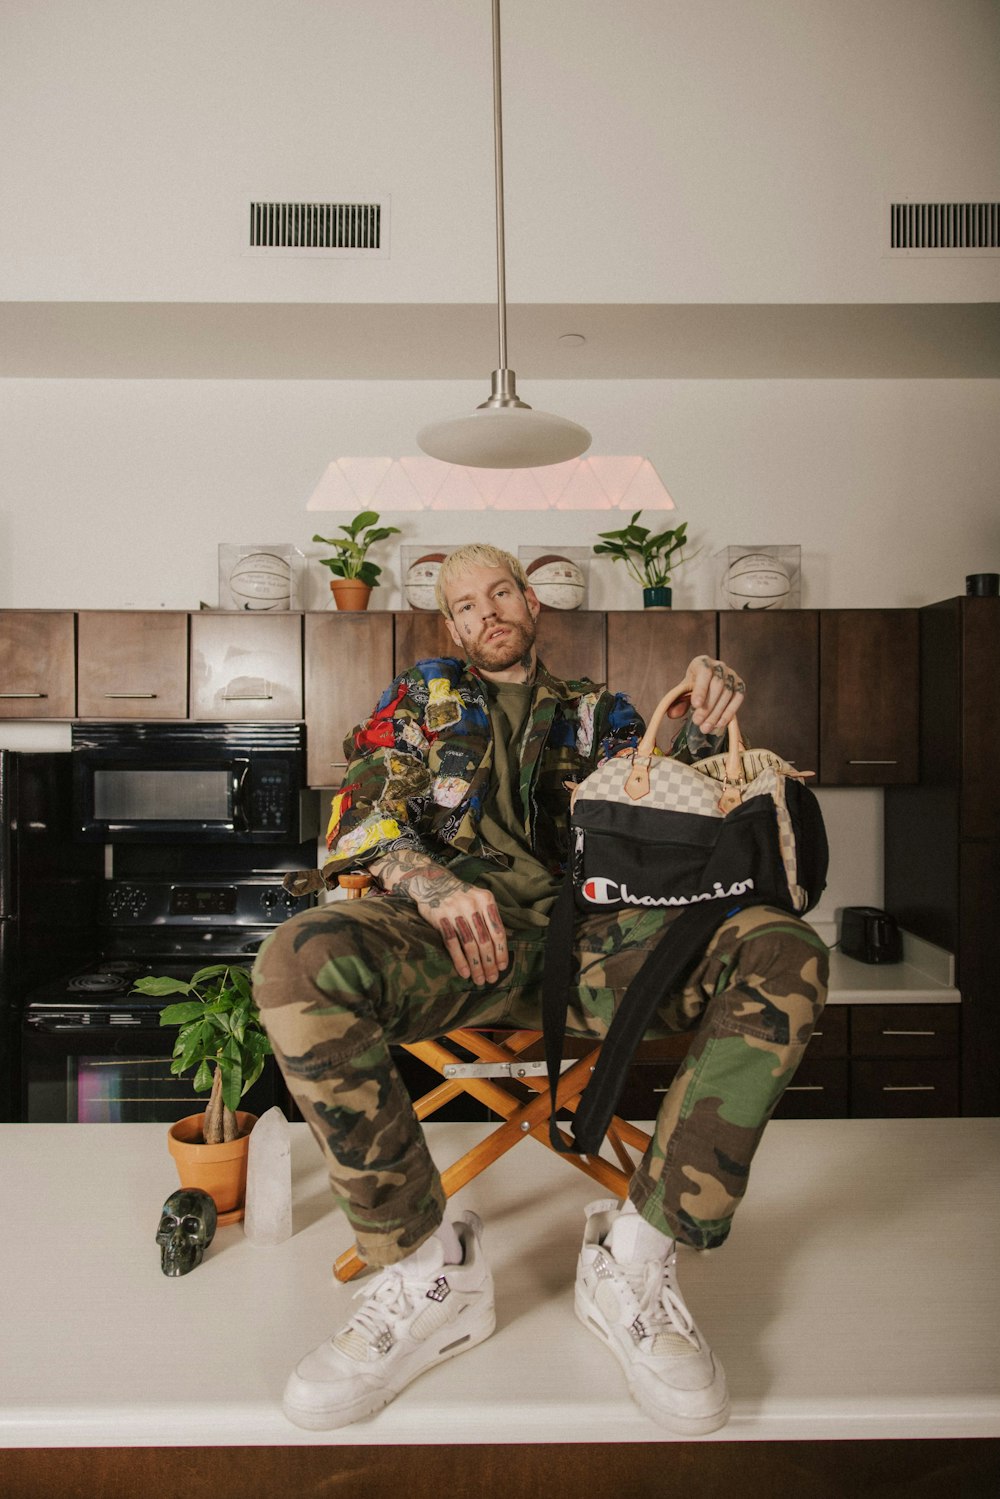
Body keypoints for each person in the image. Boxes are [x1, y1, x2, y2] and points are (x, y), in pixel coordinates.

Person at [252, 542, 828, 1436]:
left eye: (498, 593)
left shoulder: (600, 712)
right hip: (446, 944)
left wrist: (709, 724)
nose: (485, 613)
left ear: (529, 602)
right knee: (295, 957)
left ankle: (635, 1259)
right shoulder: (422, 698)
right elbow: (357, 810)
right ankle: (425, 1270)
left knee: (784, 948)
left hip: (593, 948)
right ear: (451, 625)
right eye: (464, 605)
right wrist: (428, 881)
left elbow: (675, 819)